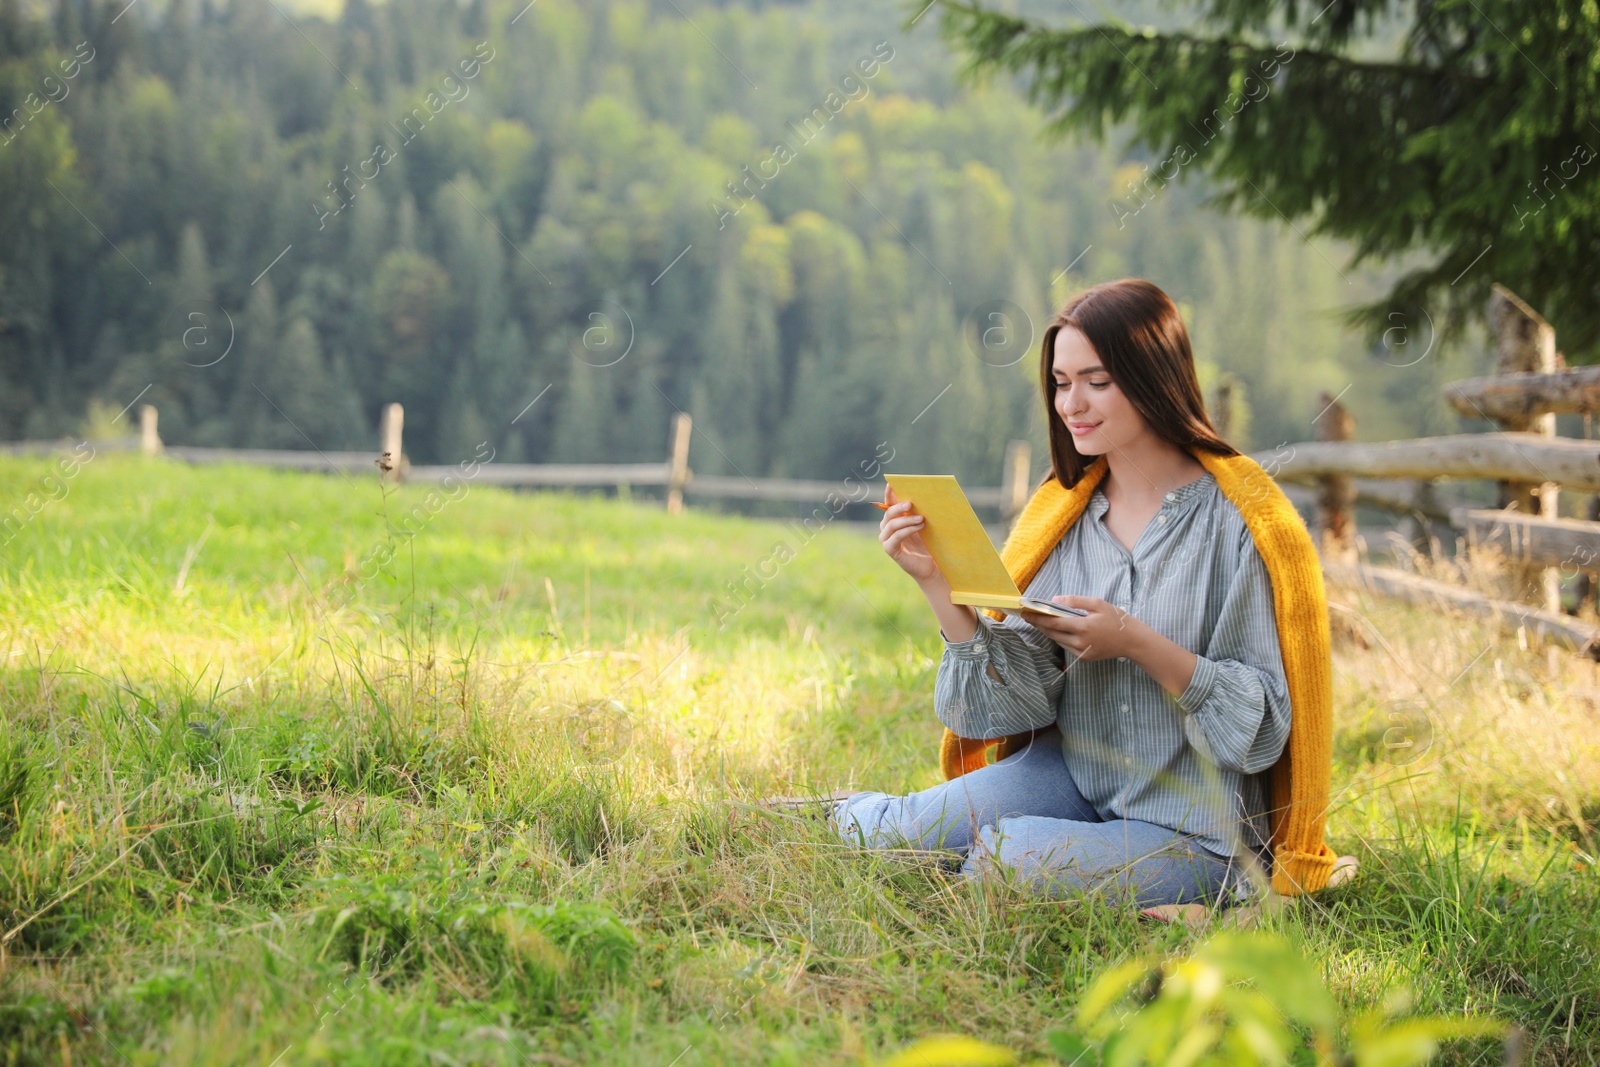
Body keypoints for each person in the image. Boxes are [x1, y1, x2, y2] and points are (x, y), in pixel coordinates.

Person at [833, 278, 1305, 909]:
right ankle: (835, 812)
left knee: (1007, 861)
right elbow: (1011, 706)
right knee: (899, 836)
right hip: (1072, 775)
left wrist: (1133, 642)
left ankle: (1200, 901)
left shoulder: (1243, 523)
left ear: (1153, 377)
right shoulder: (1063, 512)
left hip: (1198, 828)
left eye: (1097, 381)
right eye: (1060, 382)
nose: (1071, 404)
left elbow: (1263, 725)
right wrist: (938, 585)